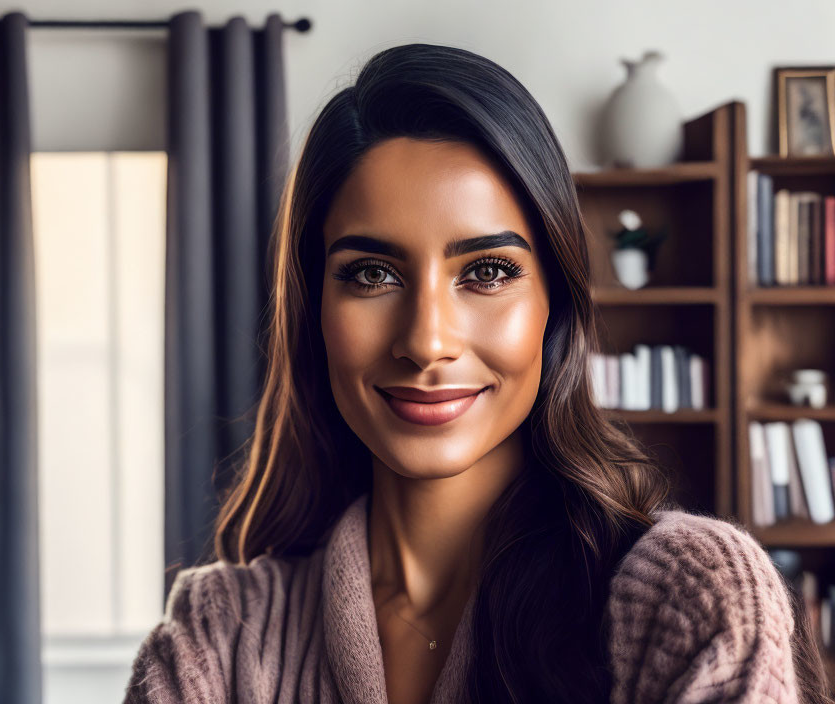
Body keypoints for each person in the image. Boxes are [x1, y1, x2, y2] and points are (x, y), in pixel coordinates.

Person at [123, 43, 831, 704]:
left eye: (488, 272)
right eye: (371, 274)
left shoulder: (693, 595)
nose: (428, 342)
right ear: (314, 309)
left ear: (554, 304)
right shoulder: (218, 636)